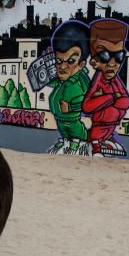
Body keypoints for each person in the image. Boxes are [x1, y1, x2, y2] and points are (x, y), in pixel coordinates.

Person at [81, 19, 129, 157]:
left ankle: (105, 140)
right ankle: (96, 145)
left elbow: (127, 101)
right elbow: (87, 106)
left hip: (111, 126)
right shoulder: (98, 80)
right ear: (94, 62)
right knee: (95, 136)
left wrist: (110, 99)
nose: (112, 63)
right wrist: (112, 97)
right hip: (98, 126)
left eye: (119, 56)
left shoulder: (115, 80)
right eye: (105, 56)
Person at [46, 20, 92, 155]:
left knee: (76, 131)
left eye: (71, 61)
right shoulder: (60, 81)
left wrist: (70, 108)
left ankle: (78, 143)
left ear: (82, 64)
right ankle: (66, 141)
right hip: (60, 119)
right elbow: (49, 83)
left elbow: (84, 103)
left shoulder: (79, 81)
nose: (63, 66)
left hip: (72, 119)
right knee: (65, 131)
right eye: (59, 61)